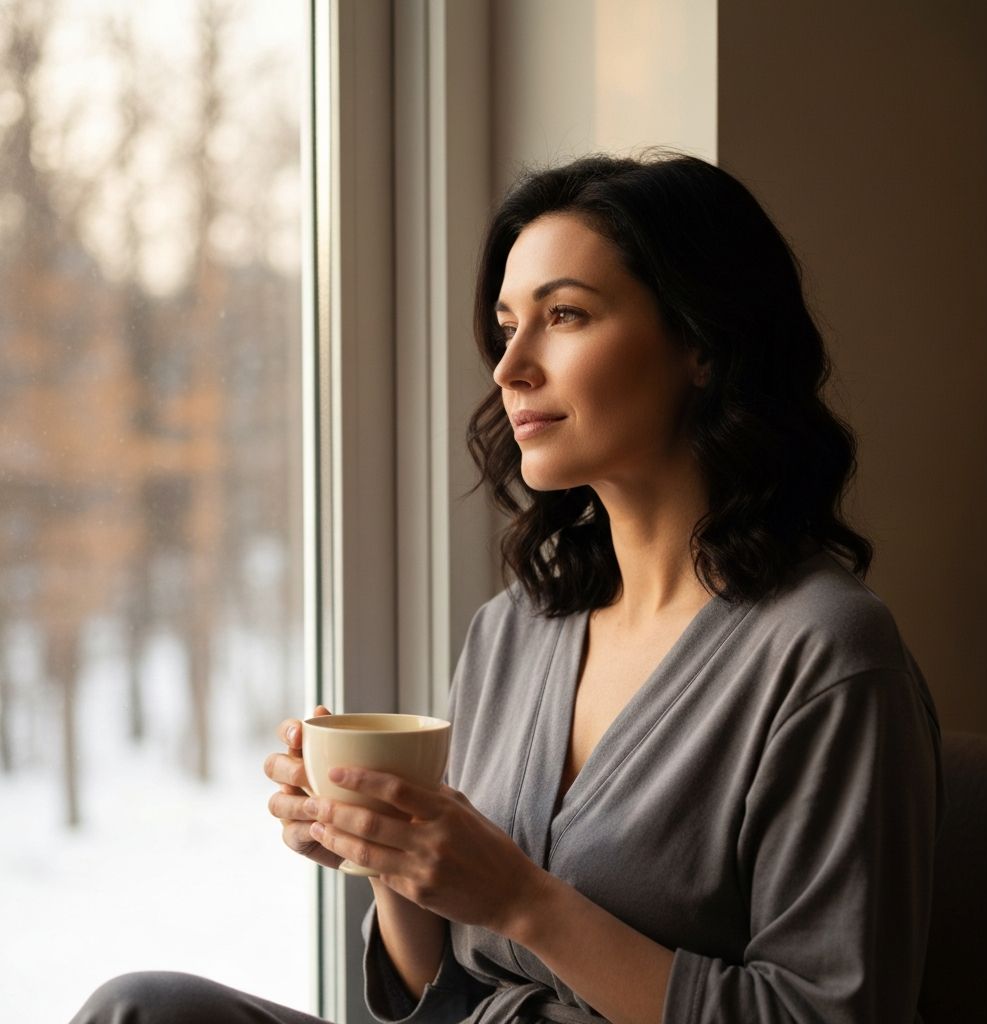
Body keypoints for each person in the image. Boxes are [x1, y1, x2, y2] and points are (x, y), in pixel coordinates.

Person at [70, 152, 942, 1024]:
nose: (510, 367)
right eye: (506, 324)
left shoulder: (826, 655)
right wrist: (392, 853)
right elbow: (438, 995)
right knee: (140, 1009)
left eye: (564, 315)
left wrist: (524, 902)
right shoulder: (517, 628)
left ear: (703, 344)